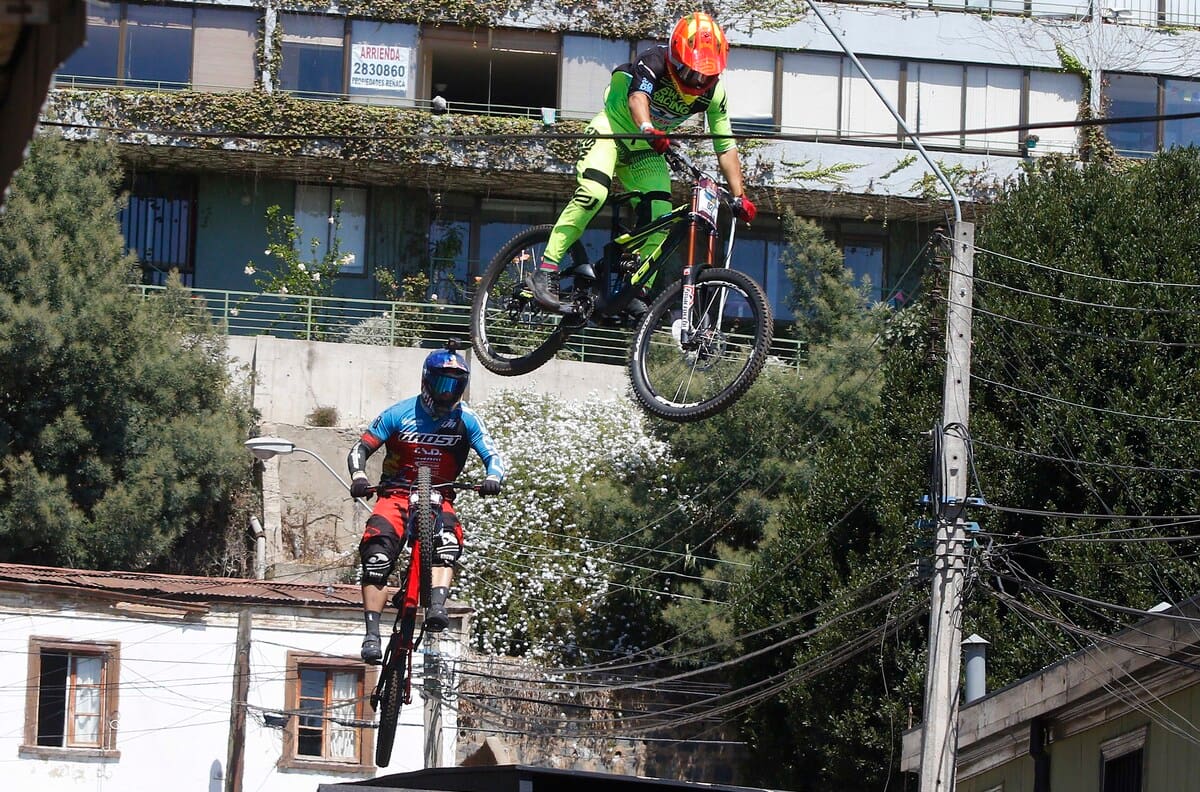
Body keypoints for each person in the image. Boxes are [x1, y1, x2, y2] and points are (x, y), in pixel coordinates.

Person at [527, 10, 758, 311]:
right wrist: (648, 128)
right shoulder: (654, 61)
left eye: (706, 74)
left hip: (647, 151)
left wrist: (739, 196)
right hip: (610, 133)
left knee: (661, 216)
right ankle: (547, 269)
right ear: (676, 57)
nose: (698, 80)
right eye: (691, 72)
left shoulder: (713, 93)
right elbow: (638, 98)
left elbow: (724, 144)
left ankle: (637, 289)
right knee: (593, 194)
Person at [347, 344, 506, 664]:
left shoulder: (468, 419)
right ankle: (372, 634)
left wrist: (494, 477)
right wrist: (359, 477)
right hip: (394, 496)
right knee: (377, 556)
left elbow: (493, 456)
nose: (449, 393)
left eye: (456, 385)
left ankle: (437, 606)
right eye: (442, 383)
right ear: (426, 381)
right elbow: (359, 449)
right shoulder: (398, 413)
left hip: (440, 496)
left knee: (448, 543)